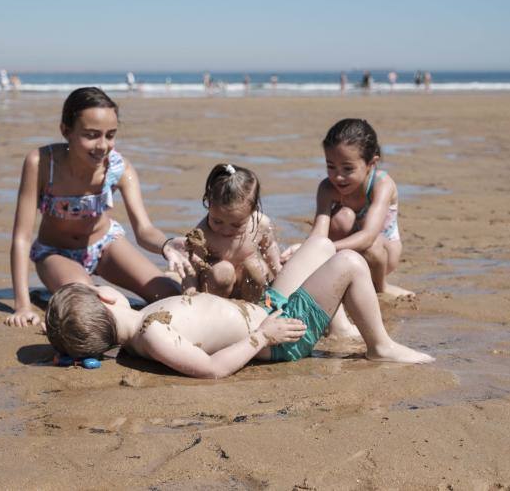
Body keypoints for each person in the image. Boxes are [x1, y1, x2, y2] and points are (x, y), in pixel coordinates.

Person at [45, 236, 434, 379]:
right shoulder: (152, 335)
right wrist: (261, 337)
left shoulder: (142, 320)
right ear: (104, 296)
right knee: (349, 263)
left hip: (265, 308)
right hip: (280, 335)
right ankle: (379, 345)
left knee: (321, 245)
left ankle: (341, 326)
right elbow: (212, 370)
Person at [4, 87, 192, 328]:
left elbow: (144, 230)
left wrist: (166, 245)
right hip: (56, 253)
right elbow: (21, 238)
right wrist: (23, 305)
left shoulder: (119, 168)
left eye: (110, 135)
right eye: (92, 135)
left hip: (105, 246)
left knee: (172, 298)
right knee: (91, 305)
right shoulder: (41, 163)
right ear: (66, 131)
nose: (103, 145)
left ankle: (164, 282)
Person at [281, 118, 414, 300]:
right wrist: (304, 249)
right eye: (331, 167)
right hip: (347, 248)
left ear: (371, 164)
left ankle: (381, 287)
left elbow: (368, 237)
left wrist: (325, 249)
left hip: (382, 255)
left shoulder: (381, 184)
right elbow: (318, 233)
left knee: (372, 245)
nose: (338, 176)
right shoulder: (327, 188)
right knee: (341, 217)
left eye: (348, 168)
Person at [177, 163, 282, 303]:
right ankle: (215, 308)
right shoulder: (202, 234)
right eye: (217, 222)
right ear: (208, 203)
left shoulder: (260, 225)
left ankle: (254, 307)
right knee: (223, 270)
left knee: (257, 267)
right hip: (216, 290)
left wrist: (280, 277)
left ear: (253, 211)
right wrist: (189, 294)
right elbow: (191, 270)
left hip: (248, 289)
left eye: (236, 225)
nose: (226, 230)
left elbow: (270, 249)